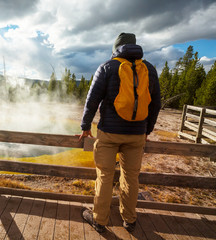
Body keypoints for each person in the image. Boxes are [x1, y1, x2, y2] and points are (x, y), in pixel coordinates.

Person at [78, 32, 161, 233]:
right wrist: (147, 130)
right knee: (131, 177)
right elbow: (155, 104)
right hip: (136, 135)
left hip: (109, 133)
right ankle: (129, 220)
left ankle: (99, 220)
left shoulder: (107, 66)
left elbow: (92, 100)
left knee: (105, 176)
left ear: (116, 48)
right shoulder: (148, 69)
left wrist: (85, 126)